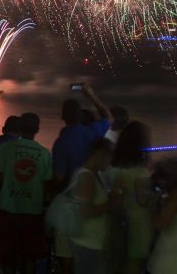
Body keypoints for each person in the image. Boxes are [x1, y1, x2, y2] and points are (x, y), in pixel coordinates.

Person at [51, 84, 111, 272]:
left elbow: (59, 177)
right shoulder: (93, 131)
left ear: (62, 117)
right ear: (79, 116)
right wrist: (91, 94)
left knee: (65, 253)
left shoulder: (61, 142)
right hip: (93, 197)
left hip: (71, 204)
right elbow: (108, 117)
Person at [0, 113, 52, 274]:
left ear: (19, 129)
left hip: (8, 208)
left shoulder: (5, 148)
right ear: (37, 129)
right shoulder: (44, 153)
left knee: (7, 257)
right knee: (30, 257)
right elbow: (46, 182)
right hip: (33, 211)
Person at [108, 121, 154, 274]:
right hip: (140, 224)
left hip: (121, 223)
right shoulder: (140, 172)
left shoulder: (114, 166)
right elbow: (143, 200)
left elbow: (116, 200)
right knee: (135, 264)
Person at [69, 138, 113, 274]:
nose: (110, 161)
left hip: (94, 242)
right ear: (99, 154)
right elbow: (84, 211)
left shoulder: (97, 175)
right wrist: (111, 204)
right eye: (109, 156)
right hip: (87, 244)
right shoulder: (86, 177)